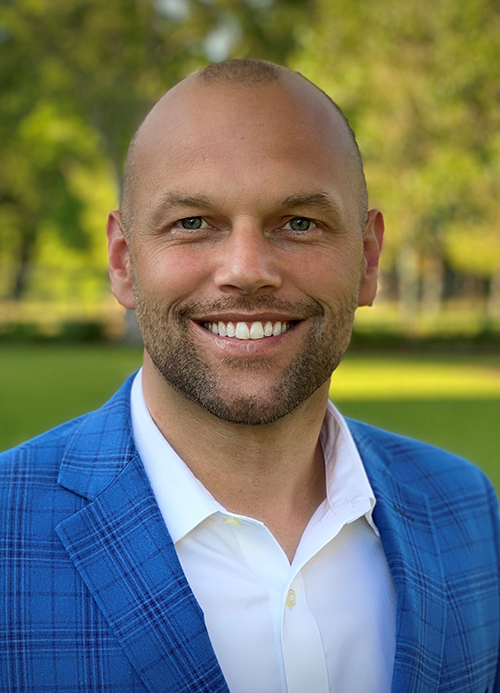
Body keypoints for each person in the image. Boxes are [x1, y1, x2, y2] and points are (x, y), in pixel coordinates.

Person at [0, 59, 499, 693]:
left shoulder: (467, 510)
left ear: (367, 260)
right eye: (193, 224)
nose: (246, 269)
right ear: (124, 263)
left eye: (299, 223)